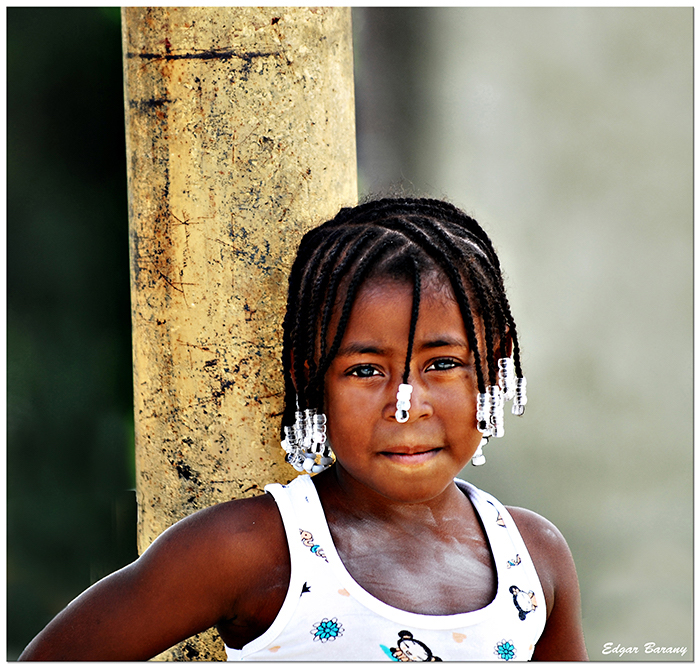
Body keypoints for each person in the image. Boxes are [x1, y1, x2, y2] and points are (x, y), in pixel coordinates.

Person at [19, 197, 588, 661]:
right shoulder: (252, 551)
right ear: (308, 377)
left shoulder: (533, 558)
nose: (406, 406)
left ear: (496, 362)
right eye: (365, 370)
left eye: (442, 364)